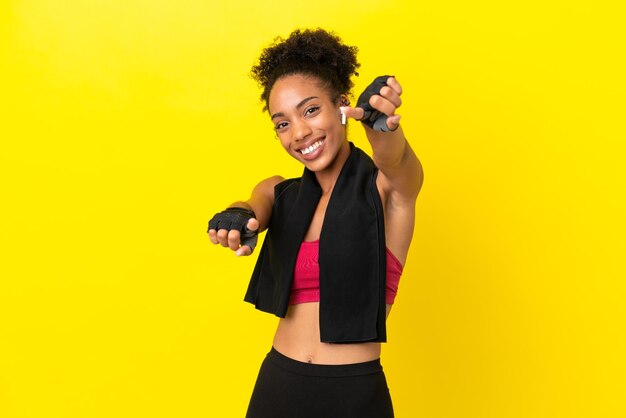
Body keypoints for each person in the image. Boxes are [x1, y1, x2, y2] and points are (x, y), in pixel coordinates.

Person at [207, 28, 423, 418]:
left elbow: (398, 162)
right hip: (278, 386)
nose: (299, 133)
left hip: (353, 395)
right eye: (282, 123)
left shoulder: (388, 191)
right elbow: (256, 203)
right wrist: (239, 217)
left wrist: (379, 125)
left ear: (342, 105)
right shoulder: (282, 193)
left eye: (310, 110)